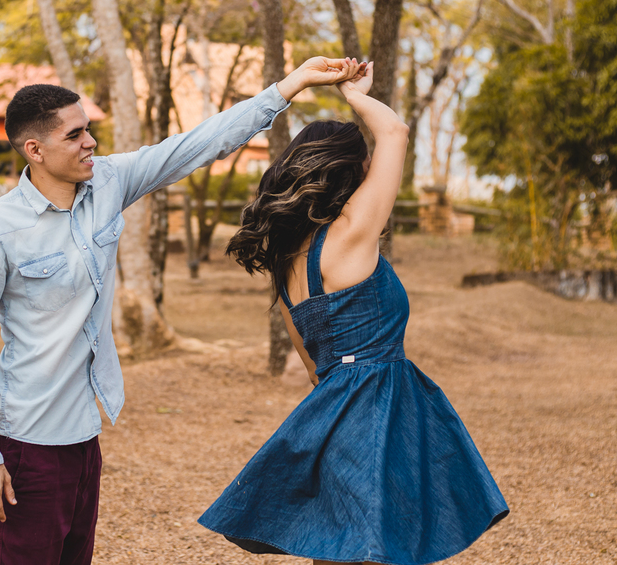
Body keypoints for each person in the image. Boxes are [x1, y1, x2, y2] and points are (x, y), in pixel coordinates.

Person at [0, 56, 364, 565]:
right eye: (75, 135)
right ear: (34, 150)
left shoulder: (108, 183)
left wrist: (290, 85)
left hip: (83, 439)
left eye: (89, 129)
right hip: (24, 445)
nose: (90, 142)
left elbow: (198, 144)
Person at [199, 60, 509, 565]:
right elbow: (395, 131)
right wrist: (356, 95)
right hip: (379, 410)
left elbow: (314, 368)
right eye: (366, 165)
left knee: (338, 550)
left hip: (331, 413)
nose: (372, 173)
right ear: (352, 170)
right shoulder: (350, 234)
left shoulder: (286, 264)